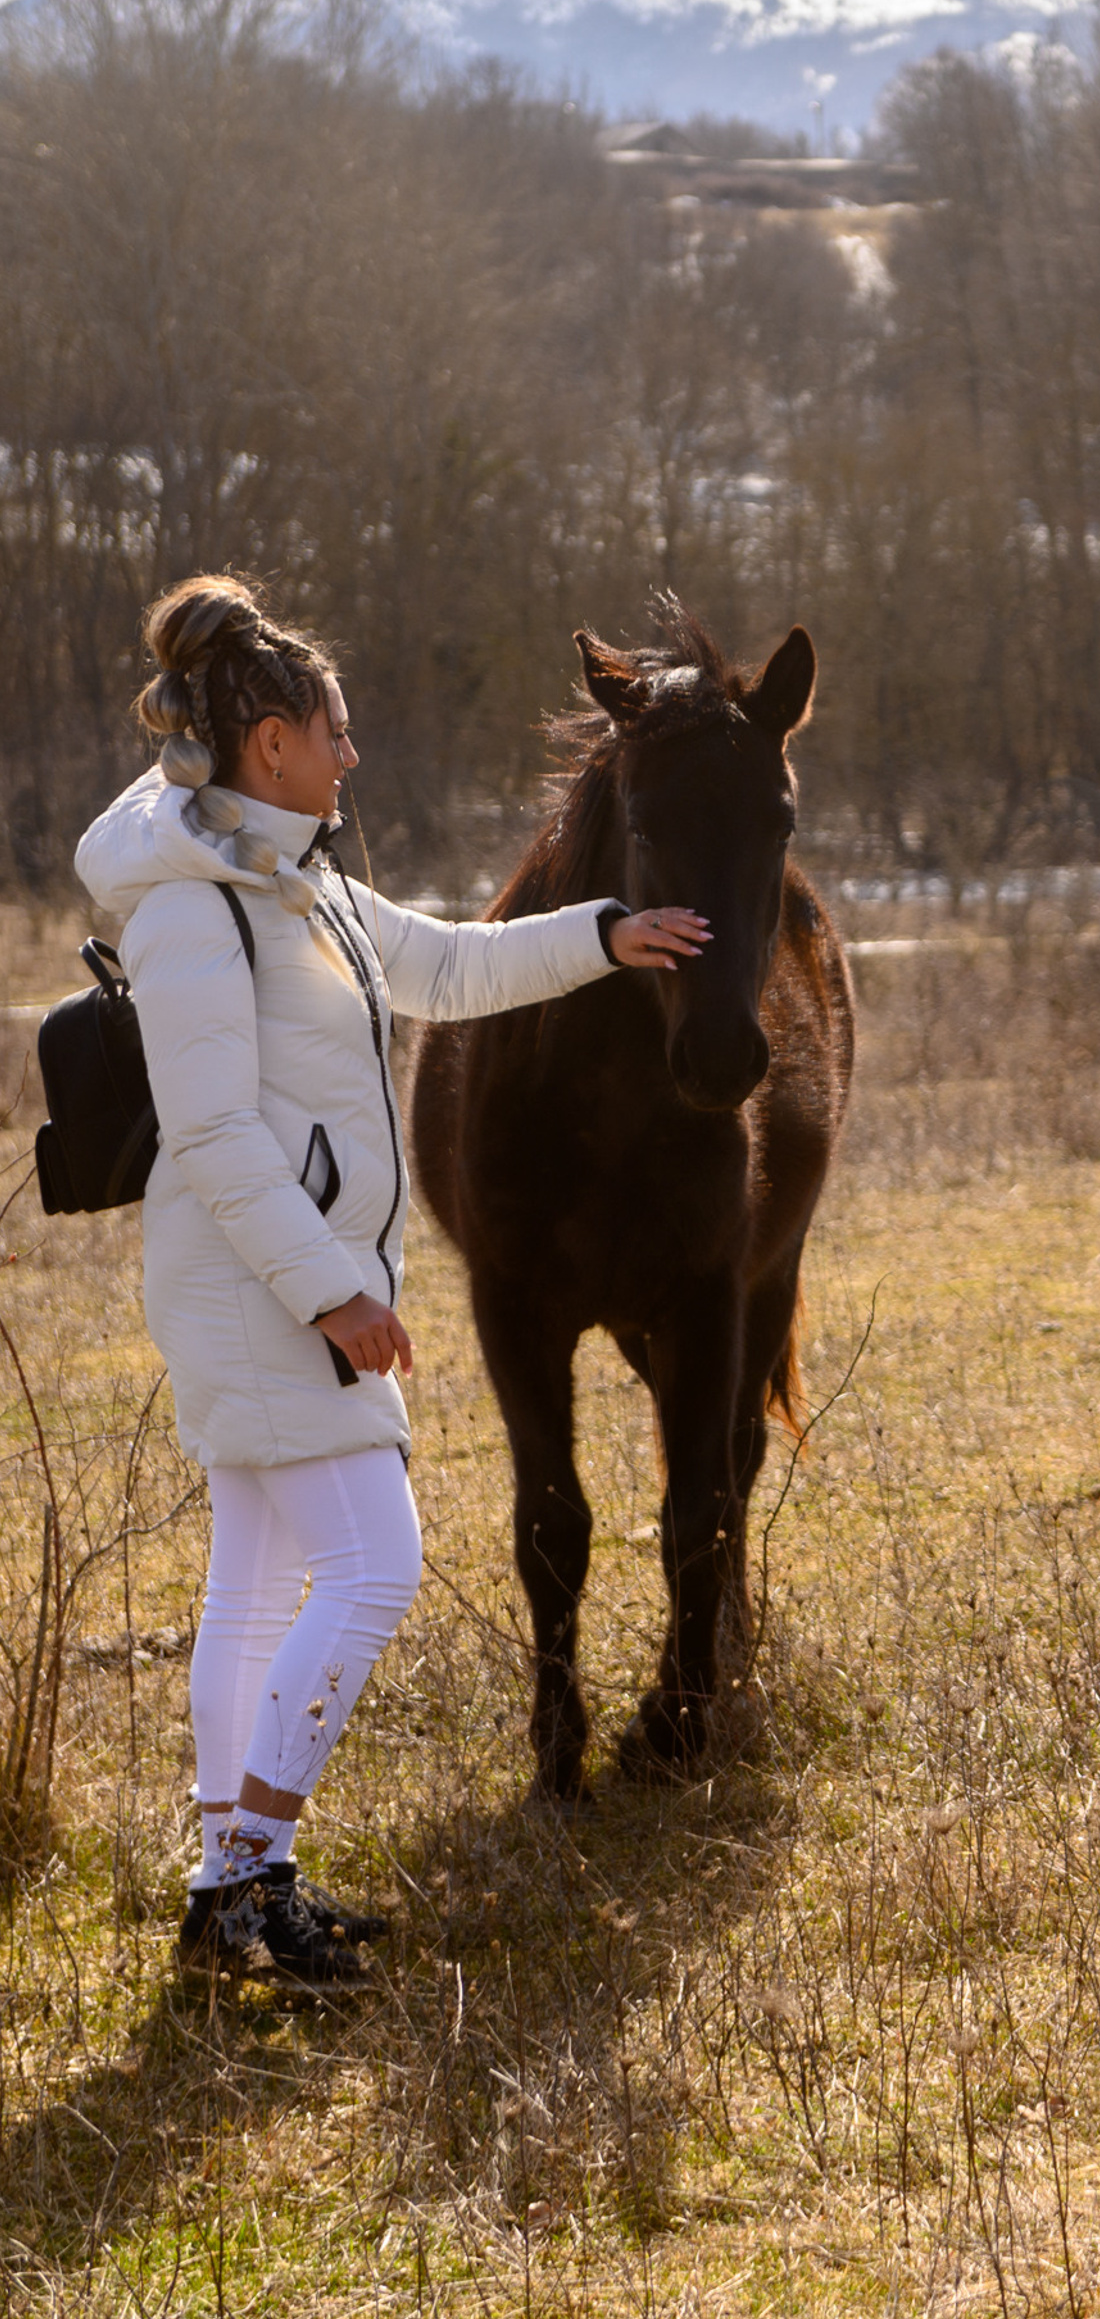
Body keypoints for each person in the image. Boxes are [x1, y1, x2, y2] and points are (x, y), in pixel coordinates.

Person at [75, 574, 710, 1984]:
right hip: (259, 1293)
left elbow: (450, 966)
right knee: (376, 1566)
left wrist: (608, 932)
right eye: (337, 731)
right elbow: (214, 1139)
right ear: (271, 746)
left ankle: (226, 1897)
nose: (353, 754)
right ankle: (252, 1875)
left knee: (255, 1584)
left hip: (277, 1283)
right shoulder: (193, 914)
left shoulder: (303, 889)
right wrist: (332, 1294)